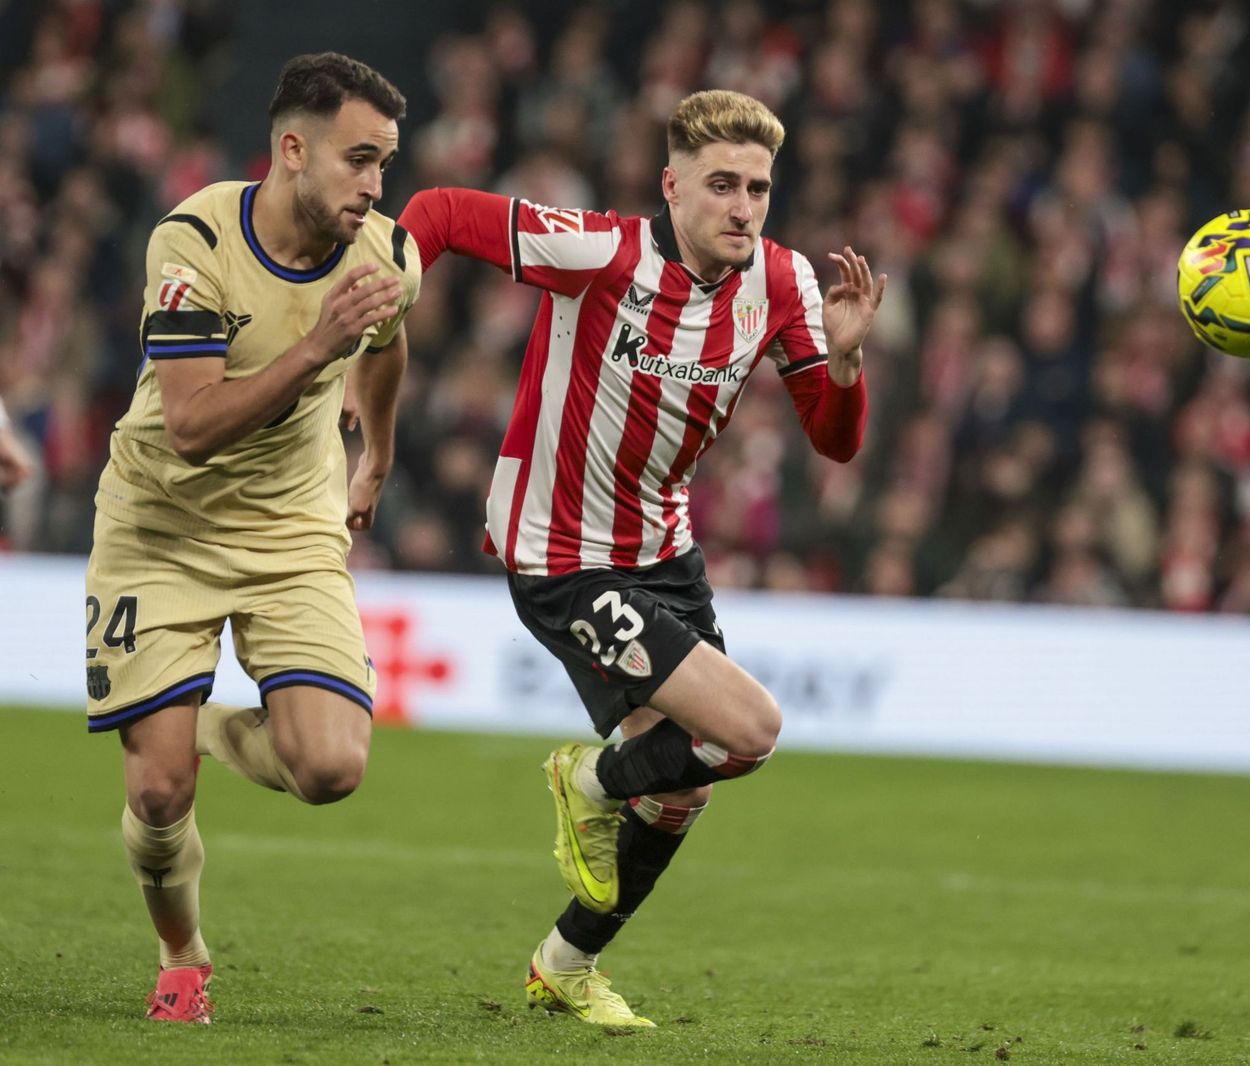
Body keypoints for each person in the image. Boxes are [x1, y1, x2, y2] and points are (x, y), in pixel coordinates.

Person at [398, 88, 885, 1027]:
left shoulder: (780, 285)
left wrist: (849, 364)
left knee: (687, 786)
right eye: (722, 185)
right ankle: (583, 780)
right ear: (672, 187)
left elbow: (833, 441)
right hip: (560, 554)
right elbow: (441, 214)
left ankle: (565, 963)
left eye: (759, 188)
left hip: (663, 550)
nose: (744, 207)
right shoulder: (603, 252)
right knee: (751, 729)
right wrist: (386, 297)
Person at [83, 52, 420, 1023]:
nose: (374, 185)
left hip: (288, 532)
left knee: (331, 768)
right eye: (359, 160)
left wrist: (378, 454)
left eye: (385, 164)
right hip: (160, 526)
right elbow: (189, 427)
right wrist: (318, 346)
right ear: (291, 149)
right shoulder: (191, 243)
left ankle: (213, 737)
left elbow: (389, 338)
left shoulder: (384, 253)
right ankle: (181, 947)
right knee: (153, 798)